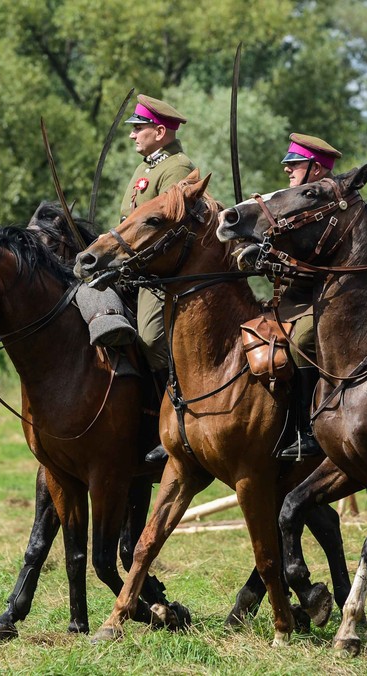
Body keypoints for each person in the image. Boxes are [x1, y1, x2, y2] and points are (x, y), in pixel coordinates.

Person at [120, 95, 196, 465]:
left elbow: (169, 229)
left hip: (161, 276)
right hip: (129, 267)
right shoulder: (145, 168)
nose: (133, 135)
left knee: (151, 339)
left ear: (160, 131)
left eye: (139, 128)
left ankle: (175, 423)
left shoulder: (177, 168)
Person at [276, 133, 342, 459]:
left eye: (295, 164)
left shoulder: (327, 203)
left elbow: (323, 255)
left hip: (331, 294)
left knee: (301, 339)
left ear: (316, 169)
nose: (288, 169)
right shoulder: (298, 199)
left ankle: (308, 432)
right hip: (297, 293)